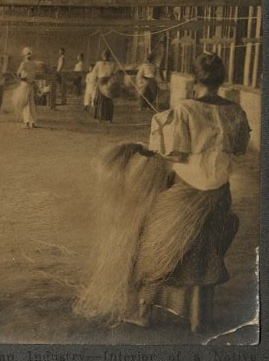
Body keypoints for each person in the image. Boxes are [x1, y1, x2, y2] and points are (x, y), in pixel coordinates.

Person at [75, 52, 249, 332]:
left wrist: (152, 148)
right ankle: (199, 318)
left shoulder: (186, 109)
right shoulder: (235, 111)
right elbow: (239, 148)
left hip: (186, 192)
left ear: (194, 79)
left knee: (153, 246)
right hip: (220, 195)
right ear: (221, 80)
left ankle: (143, 312)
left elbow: (177, 154)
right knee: (205, 253)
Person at [12, 46, 37, 128]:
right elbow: (33, 74)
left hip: (25, 84)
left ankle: (26, 123)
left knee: (25, 103)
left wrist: (22, 78)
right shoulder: (33, 63)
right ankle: (33, 122)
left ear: (24, 55)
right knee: (31, 103)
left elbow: (18, 73)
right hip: (31, 84)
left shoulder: (24, 63)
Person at [90, 49, 117, 122]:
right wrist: (94, 82)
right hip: (103, 82)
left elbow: (115, 73)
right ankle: (102, 118)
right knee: (102, 99)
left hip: (107, 82)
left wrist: (112, 79)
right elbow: (95, 73)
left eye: (106, 55)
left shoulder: (111, 64)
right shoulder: (100, 63)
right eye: (105, 55)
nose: (105, 56)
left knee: (107, 99)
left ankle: (107, 118)